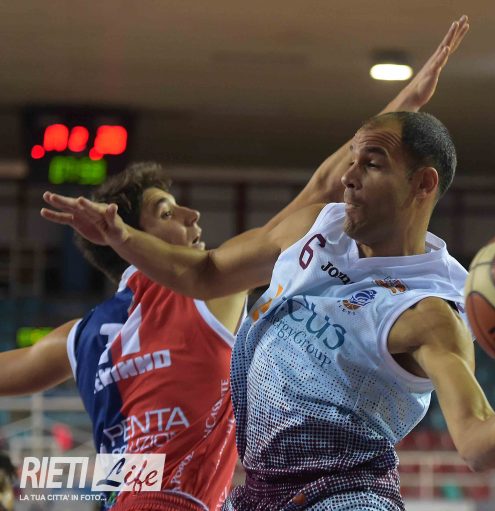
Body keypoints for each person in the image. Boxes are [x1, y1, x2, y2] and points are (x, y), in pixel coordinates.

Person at [42, 18, 495, 511]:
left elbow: (477, 444)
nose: (349, 176)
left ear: (423, 185)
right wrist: (119, 234)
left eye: (372, 164)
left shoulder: (430, 311)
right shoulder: (318, 227)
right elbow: (204, 272)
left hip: (345, 496)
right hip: (260, 492)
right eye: (353, 160)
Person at [5, 17, 469, 511]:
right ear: (131, 236)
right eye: (167, 212)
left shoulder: (79, 337)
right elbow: (321, 189)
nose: (192, 215)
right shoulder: (209, 295)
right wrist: (405, 108)